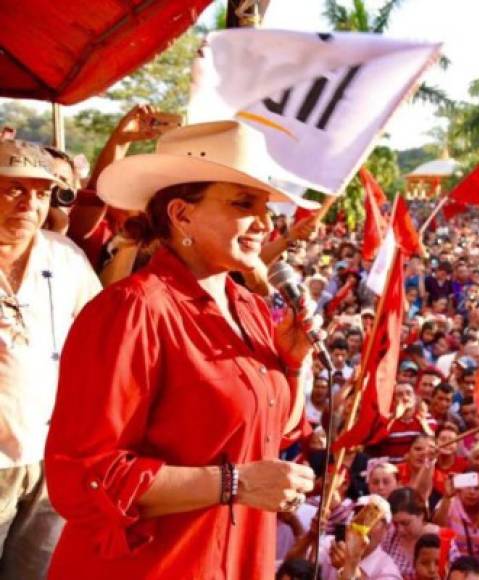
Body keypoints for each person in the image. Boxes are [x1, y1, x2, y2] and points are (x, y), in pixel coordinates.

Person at [43, 121, 319, 577]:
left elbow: (274, 432)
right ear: (181, 213)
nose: (267, 223)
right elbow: (82, 476)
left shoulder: (249, 307)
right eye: (243, 203)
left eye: (266, 207)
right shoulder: (132, 309)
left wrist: (292, 362)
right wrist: (237, 484)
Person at [0, 138, 102, 577]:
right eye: (13, 189)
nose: (29, 204)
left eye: (41, 193)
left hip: (52, 455)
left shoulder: (66, 258)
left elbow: (102, 338)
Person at [383, 487, 441, 578]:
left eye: (405, 523)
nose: (400, 529)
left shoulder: (442, 538)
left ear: (421, 515)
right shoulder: (390, 536)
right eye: (395, 524)